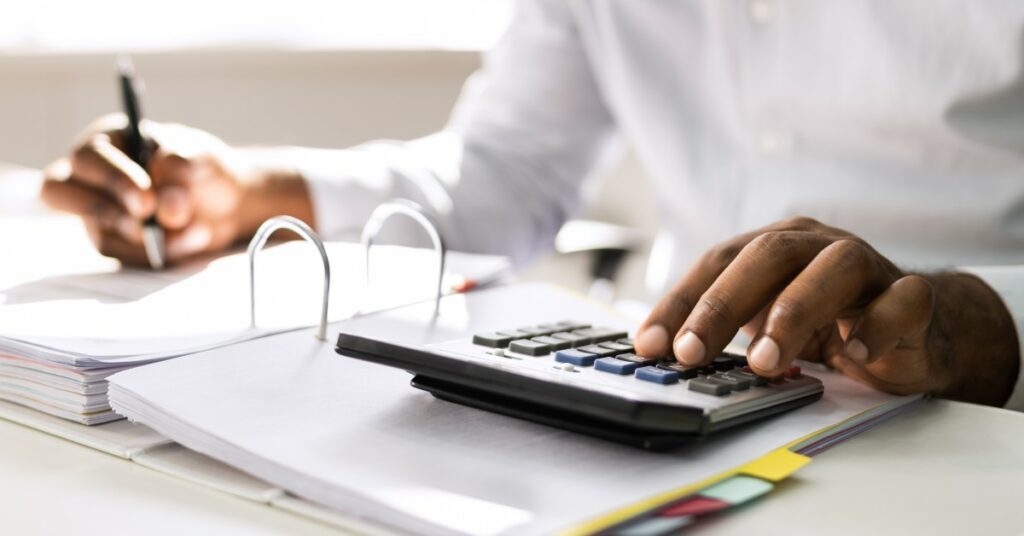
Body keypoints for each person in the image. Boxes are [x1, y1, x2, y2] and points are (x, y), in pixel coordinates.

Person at [39, 1, 1023, 409]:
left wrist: (994, 321)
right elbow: (510, 168)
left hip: (981, 423)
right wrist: (251, 193)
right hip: (691, 395)